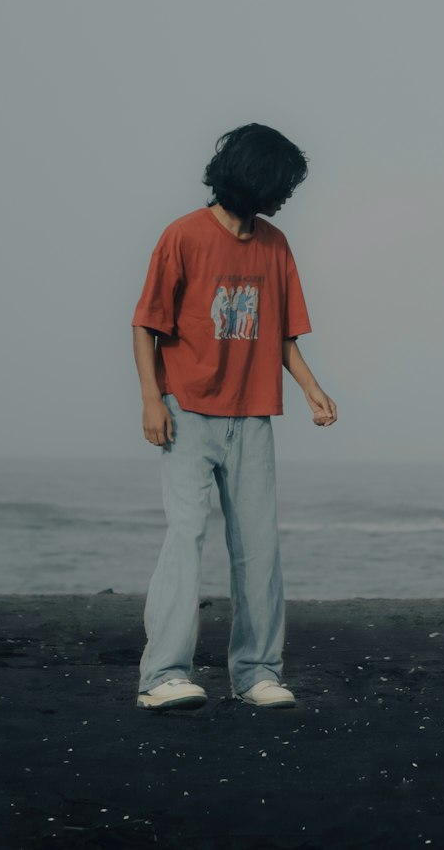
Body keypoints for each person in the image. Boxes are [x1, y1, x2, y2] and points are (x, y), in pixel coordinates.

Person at [131, 122, 337, 711]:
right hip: (187, 412)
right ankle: (163, 675)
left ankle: (257, 674)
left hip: (252, 415)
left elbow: (282, 335)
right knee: (186, 537)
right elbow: (146, 323)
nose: (287, 196)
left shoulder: (275, 245)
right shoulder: (184, 236)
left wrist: (311, 389)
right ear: (251, 178)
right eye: (281, 184)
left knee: (258, 547)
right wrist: (152, 399)